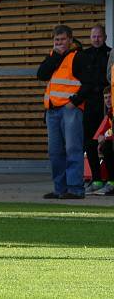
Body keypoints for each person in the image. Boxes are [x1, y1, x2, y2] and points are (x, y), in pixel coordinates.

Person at [37, 24, 91, 200]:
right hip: (52, 111)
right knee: (55, 152)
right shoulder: (54, 56)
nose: (58, 43)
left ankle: (75, 189)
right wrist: (56, 56)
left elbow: (90, 82)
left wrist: (75, 101)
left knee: (73, 149)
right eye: (56, 40)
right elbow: (42, 74)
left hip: (70, 110)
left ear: (70, 39)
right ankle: (60, 189)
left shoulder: (78, 57)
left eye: (62, 40)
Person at [82, 24, 110, 193]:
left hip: (106, 105)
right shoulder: (84, 55)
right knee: (90, 143)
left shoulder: (110, 53)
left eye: (99, 36)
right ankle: (97, 179)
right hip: (89, 105)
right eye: (93, 36)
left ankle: (110, 179)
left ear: (105, 37)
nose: (96, 39)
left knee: (107, 143)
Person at [91, 87, 114, 195]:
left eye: (110, 97)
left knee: (108, 147)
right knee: (101, 146)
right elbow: (103, 129)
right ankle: (107, 181)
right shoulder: (109, 112)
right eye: (105, 98)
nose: (108, 100)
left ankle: (111, 183)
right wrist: (101, 136)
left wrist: (105, 137)